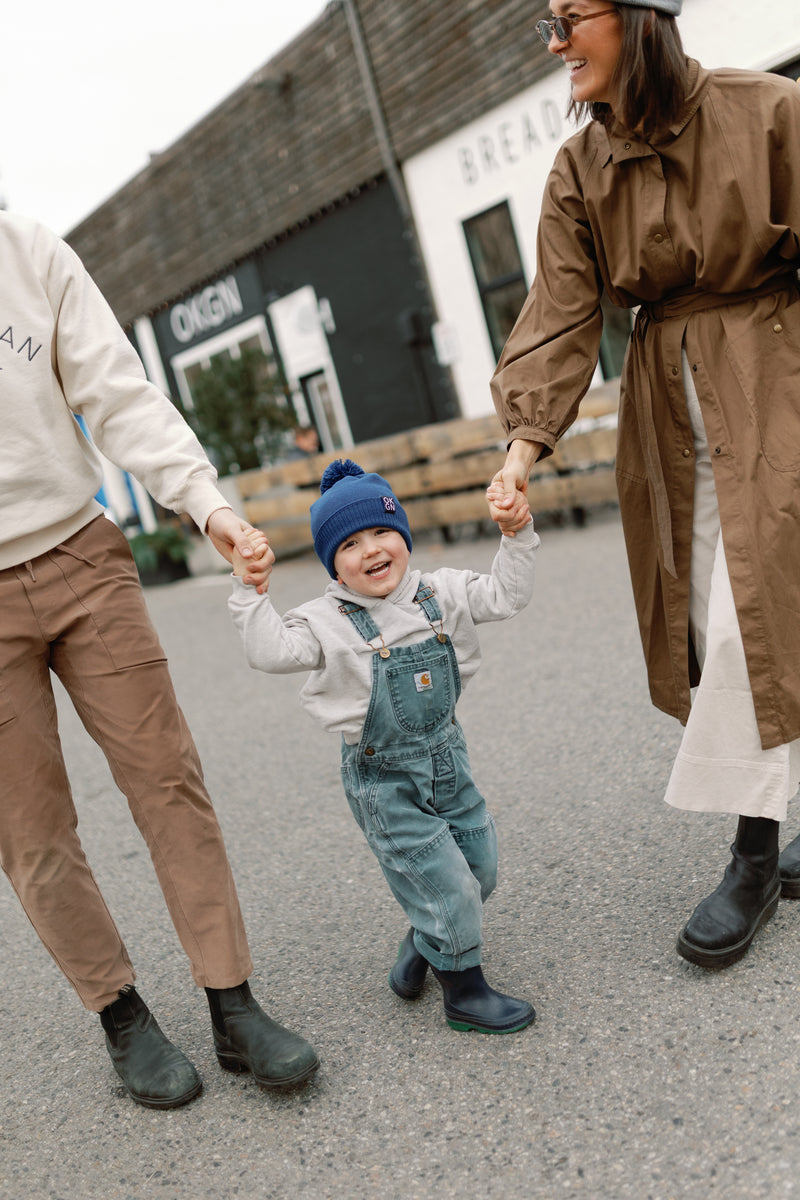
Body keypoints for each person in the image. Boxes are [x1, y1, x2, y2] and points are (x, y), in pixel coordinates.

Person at [488, 0, 800, 970]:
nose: (551, 43)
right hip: (665, 410)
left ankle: (749, 857)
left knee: (742, 616)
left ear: (637, 19)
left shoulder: (766, 110)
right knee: (714, 627)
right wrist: (520, 447)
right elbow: (558, 313)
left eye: (567, 18)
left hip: (773, 379)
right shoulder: (578, 170)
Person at [0, 210, 319, 1109]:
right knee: (31, 835)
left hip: (78, 552)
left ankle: (232, 1002)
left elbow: (118, 392)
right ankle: (122, 1017)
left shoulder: (26, 251)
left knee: (167, 779)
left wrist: (204, 506)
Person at [228, 459, 538, 1033]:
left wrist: (515, 534)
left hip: (448, 757)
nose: (370, 549)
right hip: (383, 779)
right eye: (349, 543)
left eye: (381, 532)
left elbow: (507, 596)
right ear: (332, 564)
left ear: (404, 536)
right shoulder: (325, 620)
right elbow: (271, 653)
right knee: (445, 883)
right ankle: (464, 993)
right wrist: (251, 593)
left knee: (480, 869)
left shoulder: (440, 591)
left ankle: (426, 942)